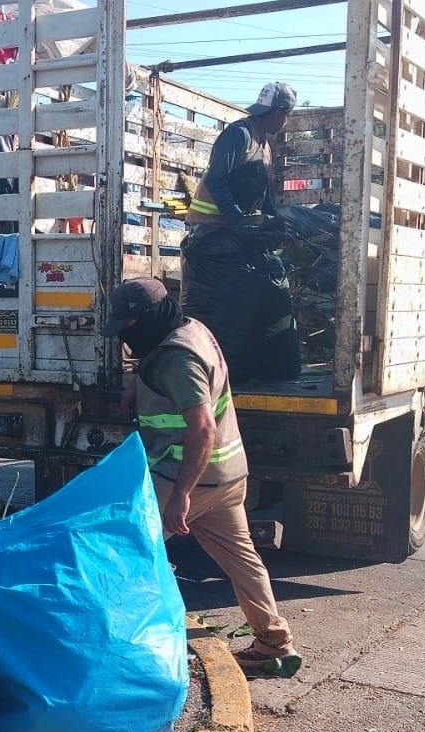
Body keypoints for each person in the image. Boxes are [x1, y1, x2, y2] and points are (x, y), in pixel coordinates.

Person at [102, 276, 302, 678]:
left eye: (129, 326)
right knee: (242, 559)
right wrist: (136, 383)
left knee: (124, 551)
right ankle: (275, 642)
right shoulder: (190, 330)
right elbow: (161, 361)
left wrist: (181, 495)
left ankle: (119, 650)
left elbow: (202, 427)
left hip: (187, 478)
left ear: (150, 317)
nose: (126, 336)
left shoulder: (177, 360)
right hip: (228, 475)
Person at [185, 81, 296, 226]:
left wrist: (275, 220)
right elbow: (215, 180)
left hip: (230, 225)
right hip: (209, 227)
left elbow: (262, 192)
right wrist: (237, 219)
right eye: (287, 116)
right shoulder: (239, 135)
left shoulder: (265, 146)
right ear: (277, 113)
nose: (285, 122)